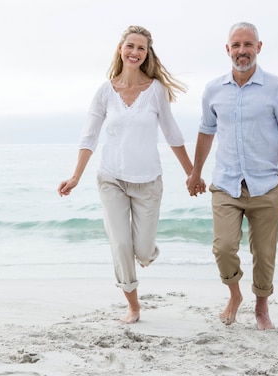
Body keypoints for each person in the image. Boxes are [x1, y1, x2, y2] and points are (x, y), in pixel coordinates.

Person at [58, 25, 204, 324]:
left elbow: (173, 134)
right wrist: (75, 177)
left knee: (144, 250)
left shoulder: (156, 91)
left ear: (147, 53)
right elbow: (89, 137)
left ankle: (147, 254)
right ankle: (133, 305)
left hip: (148, 182)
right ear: (120, 49)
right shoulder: (104, 91)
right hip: (111, 179)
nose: (135, 52)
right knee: (121, 246)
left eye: (141, 48)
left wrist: (193, 173)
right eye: (130, 46)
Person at [187, 22, 278, 330]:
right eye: (236, 45)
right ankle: (235, 295)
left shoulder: (277, 88)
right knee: (224, 248)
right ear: (228, 50)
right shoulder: (214, 89)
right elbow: (206, 131)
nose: (242, 51)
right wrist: (195, 172)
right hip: (225, 184)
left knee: (264, 254)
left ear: (259, 47)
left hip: (266, 186)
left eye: (248, 45)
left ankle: (262, 310)